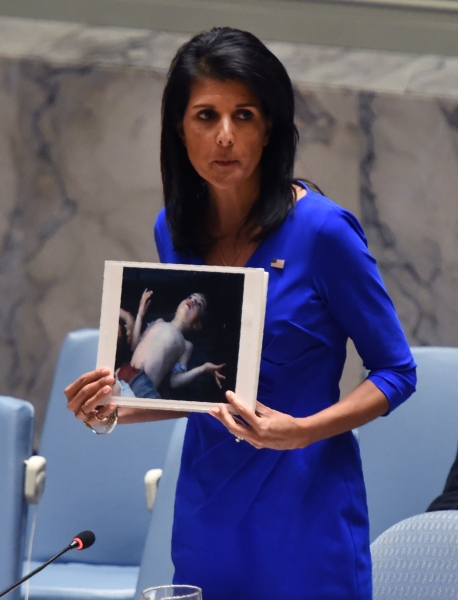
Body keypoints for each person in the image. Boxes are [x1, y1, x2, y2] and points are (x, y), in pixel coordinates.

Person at [65, 27, 416, 600]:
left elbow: (397, 372)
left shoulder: (325, 231)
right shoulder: (173, 230)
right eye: (206, 116)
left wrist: (301, 432)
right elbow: (195, 394)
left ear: (269, 126)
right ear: (179, 128)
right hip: (208, 514)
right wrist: (112, 410)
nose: (224, 137)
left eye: (244, 115)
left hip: (306, 514)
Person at [115, 288, 225, 398]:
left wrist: (202, 369)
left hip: (143, 386)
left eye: (199, 304)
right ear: (177, 308)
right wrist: (140, 314)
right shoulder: (158, 322)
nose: (192, 301)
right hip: (124, 373)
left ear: (197, 325)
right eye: (190, 297)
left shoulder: (186, 345)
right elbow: (134, 346)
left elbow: (174, 382)